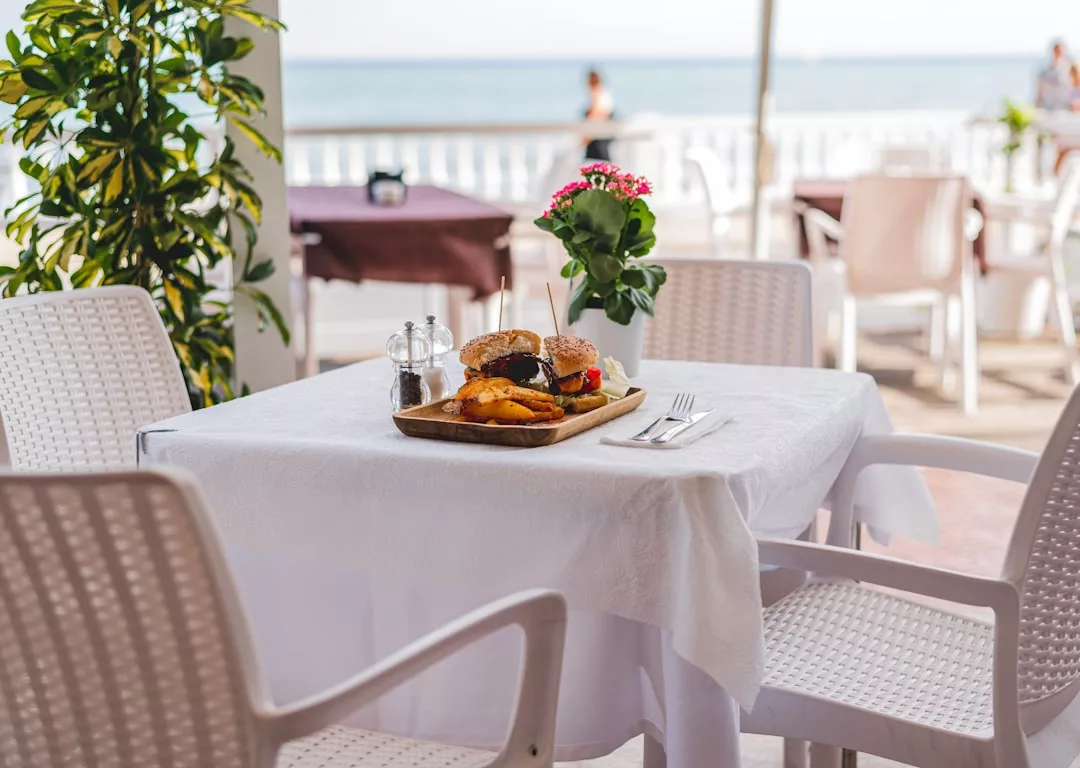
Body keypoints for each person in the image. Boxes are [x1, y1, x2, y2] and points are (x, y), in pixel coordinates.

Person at [582, 69, 615, 161]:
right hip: (604, 132)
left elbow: (596, 114)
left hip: (597, 134)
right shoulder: (605, 92)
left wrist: (587, 134)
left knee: (595, 161)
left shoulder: (597, 92)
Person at [1037, 40, 1071, 111]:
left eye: (1060, 51)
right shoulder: (1045, 72)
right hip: (1047, 109)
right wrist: (1037, 107)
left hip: (1064, 109)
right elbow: (1039, 93)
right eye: (1056, 51)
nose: (1058, 54)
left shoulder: (1068, 71)